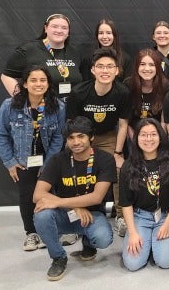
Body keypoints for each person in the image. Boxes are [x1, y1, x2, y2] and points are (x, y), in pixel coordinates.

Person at [32, 116, 115, 281]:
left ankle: (89, 244)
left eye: (81, 136)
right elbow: (38, 195)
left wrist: (59, 201)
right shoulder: (58, 160)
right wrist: (74, 207)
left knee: (103, 238)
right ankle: (58, 258)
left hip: (92, 215)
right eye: (71, 138)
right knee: (41, 215)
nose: (76, 142)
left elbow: (96, 197)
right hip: (65, 214)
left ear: (91, 137)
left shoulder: (105, 159)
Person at [0, 65, 65, 251]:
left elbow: (59, 136)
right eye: (33, 80)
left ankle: (50, 230)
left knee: (51, 194)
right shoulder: (9, 106)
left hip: (49, 160)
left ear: (48, 83)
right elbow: (1, 134)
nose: (38, 84)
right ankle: (31, 233)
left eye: (43, 80)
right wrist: (10, 162)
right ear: (24, 83)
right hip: (22, 161)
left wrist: (50, 163)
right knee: (27, 196)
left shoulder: (57, 106)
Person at [67, 48, 132, 237]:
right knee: (73, 168)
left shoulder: (123, 92)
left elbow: (123, 125)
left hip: (108, 136)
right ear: (93, 70)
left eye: (110, 67)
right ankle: (75, 215)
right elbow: (71, 126)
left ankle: (121, 216)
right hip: (82, 136)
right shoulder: (79, 92)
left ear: (117, 70)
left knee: (120, 169)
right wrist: (78, 146)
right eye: (100, 67)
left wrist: (118, 153)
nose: (105, 71)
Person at [119, 118, 169, 271]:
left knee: (165, 262)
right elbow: (126, 203)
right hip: (141, 216)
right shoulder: (128, 165)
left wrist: (168, 223)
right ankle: (149, 241)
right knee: (133, 264)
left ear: (160, 136)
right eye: (143, 135)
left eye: (153, 134)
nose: (148, 139)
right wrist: (132, 233)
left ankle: (161, 243)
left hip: (166, 215)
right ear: (136, 138)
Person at [1, 14, 83, 97]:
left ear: (68, 32)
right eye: (54, 26)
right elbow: (6, 76)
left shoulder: (75, 52)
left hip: (72, 107)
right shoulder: (28, 50)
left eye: (64, 28)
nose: (59, 30)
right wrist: (21, 99)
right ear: (45, 28)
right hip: (43, 107)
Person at [124, 48, 169, 137]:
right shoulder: (128, 85)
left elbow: (164, 121)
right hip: (133, 134)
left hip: (158, 135)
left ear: (157, 67)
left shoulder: (167, 87)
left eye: (151, 65)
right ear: (136, 67)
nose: (147, 69)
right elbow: (125, 122)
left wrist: (158, 140)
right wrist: (136, 141)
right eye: (142, 64)